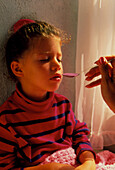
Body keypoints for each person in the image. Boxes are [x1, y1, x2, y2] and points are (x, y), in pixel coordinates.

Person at [0, 19, 96, 169]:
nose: (57, 65)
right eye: (45, 59)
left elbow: (80, 135)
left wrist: (89, 161)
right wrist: (49, 168)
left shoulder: (63, 105)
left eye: (59, 59)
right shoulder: (6, 120)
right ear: (18, 69)